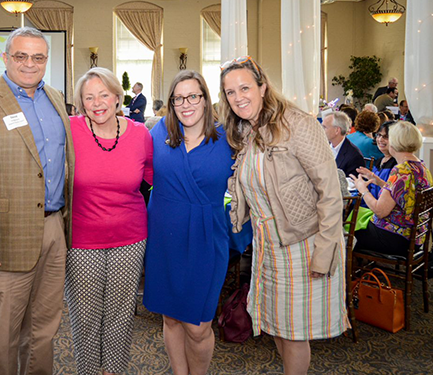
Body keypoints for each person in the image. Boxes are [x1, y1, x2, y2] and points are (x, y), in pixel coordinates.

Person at [0, 27, 74, 375]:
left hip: (53, 230)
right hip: (3, 239)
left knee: (44, 331)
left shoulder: (55, 99)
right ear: (5, 58)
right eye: (21, 56)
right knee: (3, 336)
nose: (29, 64)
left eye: (38, 57)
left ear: (46, 61)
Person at [220, 56, 349, 374]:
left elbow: (331, 192)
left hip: (301, 245)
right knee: (277, 326)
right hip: (266, 248)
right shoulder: (249, 131)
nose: (239, 98)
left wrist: (325, 251)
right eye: (230, 92)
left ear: (263, 87)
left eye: (245, 88)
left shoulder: (298, 124)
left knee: (293, 335)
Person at [143, 70, 233, 375]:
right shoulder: (157, 133)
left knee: (198, 325)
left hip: (207, 237)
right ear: (171, 102)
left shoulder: (227, 139)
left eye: (193, 96)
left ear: (206, 100)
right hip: (164, 235)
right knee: (170, 317)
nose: (186, 103)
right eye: (178, 98)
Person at [66, 67, 153, 375]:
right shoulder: (69, 130)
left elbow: (158, 179)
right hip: (81, 241)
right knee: (85, 316)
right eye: (89, 97)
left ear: (118, 97)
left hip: (130, 239)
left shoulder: (141, 134)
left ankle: (113, 370)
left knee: (120, 315)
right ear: (80, 102)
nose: (97, 102)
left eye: (104, 94)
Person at [351, 121, 433, 257]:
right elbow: (402, 194)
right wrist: (379, 182)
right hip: (413, 235)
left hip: (394, 236)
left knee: (345, 227)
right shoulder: (419, 166)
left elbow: (379, 211)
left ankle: (345, 274)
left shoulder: (400, 171)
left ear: (395, 142)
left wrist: (362, 190)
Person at [354, 120, 398, 200]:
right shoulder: (380, 160)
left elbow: (394, 193)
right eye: (379, 135)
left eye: (385, 137)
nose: (380, 139)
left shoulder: (397, 164)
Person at [322, 111, 364, 177]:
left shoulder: (354, 156)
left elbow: (352, 184)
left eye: (325, 127)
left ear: (337, 130)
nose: (322, 130)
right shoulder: (323, 147)